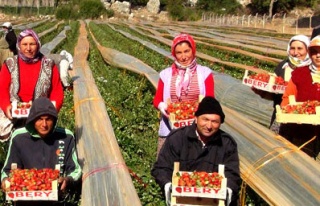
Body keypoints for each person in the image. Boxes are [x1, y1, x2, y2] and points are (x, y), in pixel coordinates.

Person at [151, 96, 240, 206]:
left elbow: (232, 174)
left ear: (220, 123)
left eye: (215, 122)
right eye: (205, 119)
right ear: (196, 118)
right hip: (182, 201)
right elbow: (162, 167)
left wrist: (226, 191)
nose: (209, 126)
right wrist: (168, 185)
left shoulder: (227, 143)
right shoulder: (178, 138)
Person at [0, 97, 82, 206]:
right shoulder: (19, 137)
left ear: (54, 119)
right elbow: (8, 170)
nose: (44, 124)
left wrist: (67, 180)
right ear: (32, 119)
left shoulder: (66, 137)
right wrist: (5, 180)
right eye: (39, 119)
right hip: (25, 200)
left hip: (55, 201)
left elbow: (75, 169)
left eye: (48, 119)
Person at [153, 33, 215, 156]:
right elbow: (157, 100)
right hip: (171, 128)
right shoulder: (165, 74)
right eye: (179, 53)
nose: (183, 57)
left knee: (194, 168)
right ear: (174, 54)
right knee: (167, 166)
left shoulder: (205, 73)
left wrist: (200, 110)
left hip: (198, 129)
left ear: (193, 50)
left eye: (186, 51)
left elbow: (210, 99)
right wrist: (163, 107)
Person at [0, 29, 64, 140]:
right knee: (12, 139)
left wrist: (51, 111)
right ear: (19, 45)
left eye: (32, 44)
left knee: (38, 142)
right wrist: (6, 106)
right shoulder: (10, 64)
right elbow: (2, 88)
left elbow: (57, 91)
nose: (28, 48)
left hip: (40, 112)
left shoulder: (48, 65)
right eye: (24, 44)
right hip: (14, 110)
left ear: (38, 45)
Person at [279, 35, 320, 159]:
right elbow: (287, 99)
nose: (318, 55)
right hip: (302, 133)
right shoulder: (300, 73)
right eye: (314, 52)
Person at [268, 35, 311, 131]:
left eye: (300, 48)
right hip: (281, 115)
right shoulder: (283, 66)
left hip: (304, 120)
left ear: (308, 50)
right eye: (292, 48)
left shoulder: (312, 69)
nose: (296, 53)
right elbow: (272, 88)